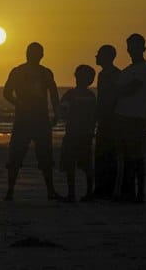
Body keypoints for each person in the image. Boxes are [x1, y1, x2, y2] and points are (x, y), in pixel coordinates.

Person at [3, 42, 62, 201]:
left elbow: (54, 95)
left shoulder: (45, 73)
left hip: (40, 119)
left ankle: (49, 190)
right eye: (32, 52)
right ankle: (10, 191)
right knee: (17, 154)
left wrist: (56, 113)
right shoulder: (18, 71)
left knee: (45, 156)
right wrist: (18, 103)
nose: (34, 55)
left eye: (36, 53)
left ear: (41, 55)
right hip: (24, 119)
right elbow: (7, 93)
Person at [112, 33, 146, 203]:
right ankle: (126, 192)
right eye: (130, 45)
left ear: (143, 48)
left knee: (137, 157)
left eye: (136, 45)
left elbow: (131, 89)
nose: (132, 49)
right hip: (121, 116)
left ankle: (140, 192)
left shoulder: (145, 68)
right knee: (125, 157)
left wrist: (116, 92)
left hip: (135, 117)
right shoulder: (127, 70)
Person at [59, 64, 97, 202]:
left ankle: (72, 193)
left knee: (71, 164)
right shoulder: (91, 95)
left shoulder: (71, 94)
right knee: (86, 164)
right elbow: (95, 115)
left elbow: (62, 109)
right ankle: (88, 192)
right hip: (85, 133)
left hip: (73, 133)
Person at [94, 44, 121, 199]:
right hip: (103, 118)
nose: (96, 56)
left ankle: (108, 189)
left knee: (109, 154)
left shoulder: (115, 74)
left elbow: (114, 97)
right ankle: (101, 188)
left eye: (99, 54)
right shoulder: (102, 74)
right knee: (101, 153)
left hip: (111, 119)